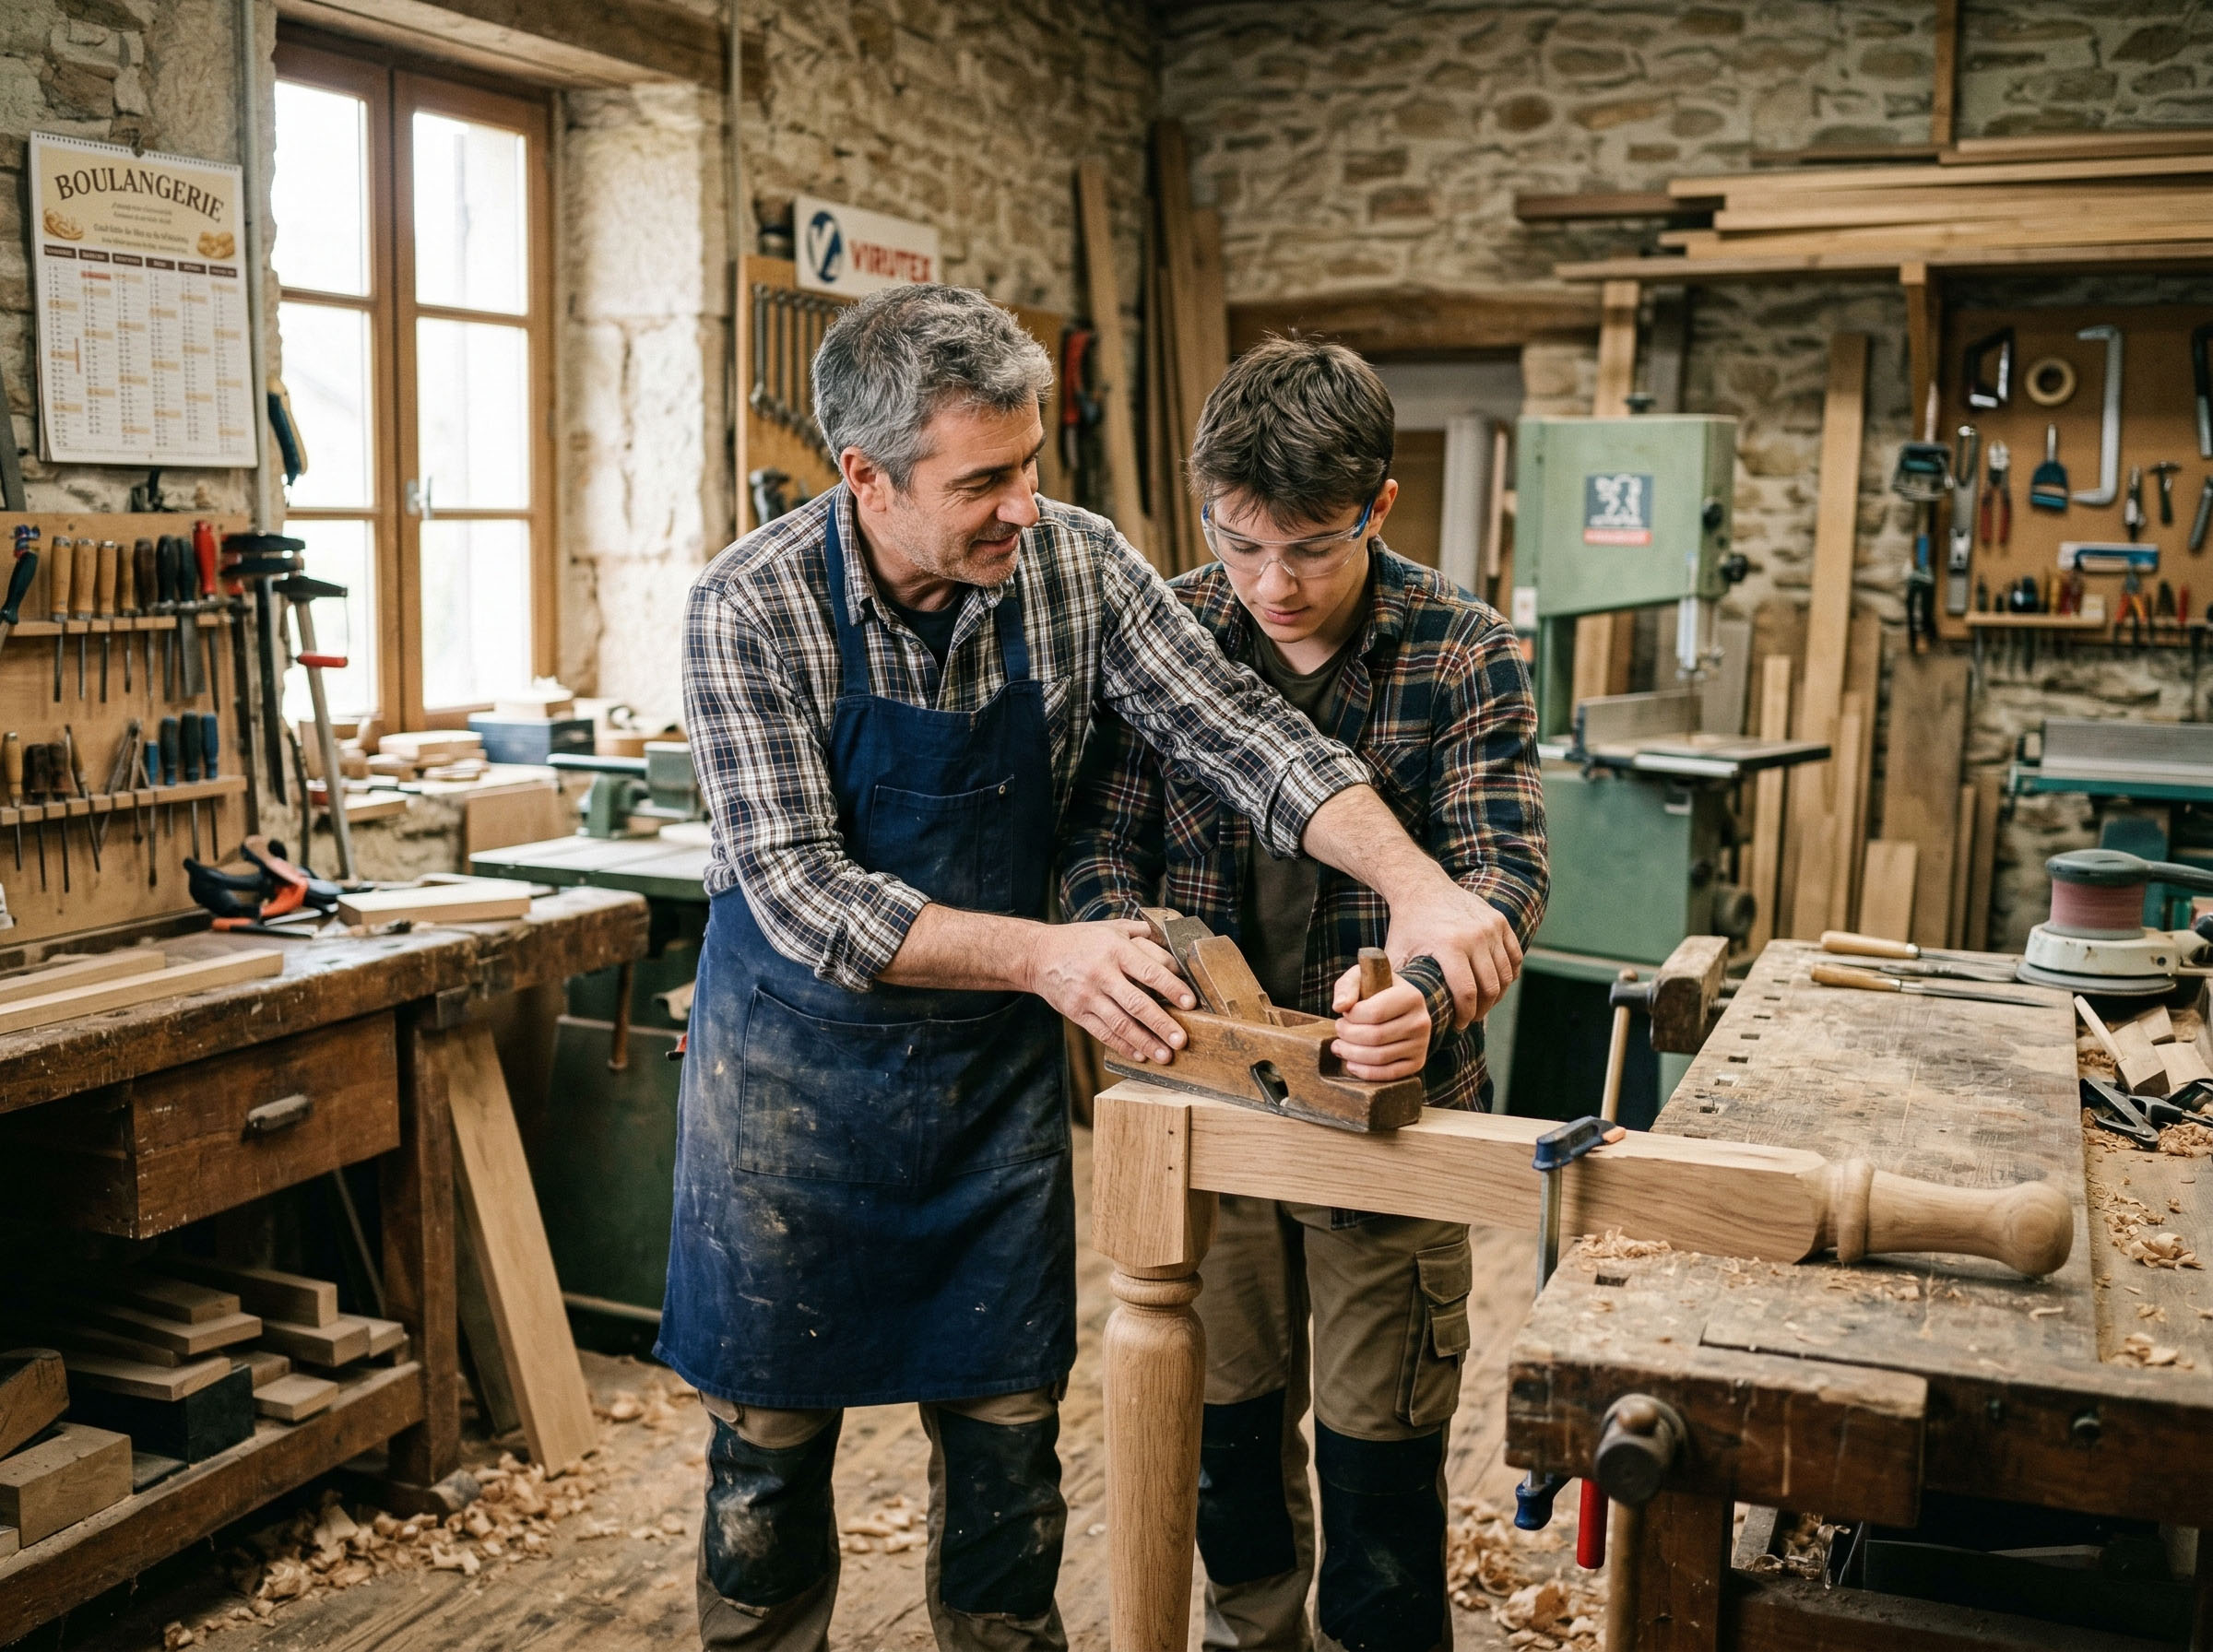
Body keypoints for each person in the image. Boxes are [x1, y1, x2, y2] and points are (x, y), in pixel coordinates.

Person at [667, 284, 1526, 1652]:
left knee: (1009, 1450)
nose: (1026, 506)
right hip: (792, 1090)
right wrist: (1051, 956)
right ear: (865, 477)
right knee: (770, 1455)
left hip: (988, 1083)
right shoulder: (748, 608)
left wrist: (1419, 890)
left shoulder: (1072, 565)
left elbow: (1243, 730)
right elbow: (801, 892)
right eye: (986, 480)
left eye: (1032, 466)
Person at [1060, 336, 1548, 1652]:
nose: (1273, 585)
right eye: (1240, 545)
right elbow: (1100, 843)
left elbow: (1501, 878)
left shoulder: (1464, 652)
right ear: (1205, 508)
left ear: (1380, 507)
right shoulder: (1160, 633)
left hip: (1389, 1124)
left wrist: (1426, 999)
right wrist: (1119, 944)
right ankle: (1252, 1634)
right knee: (1224, 1439)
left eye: (1313, 549)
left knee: (1378, 1455)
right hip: (1198, 1109)